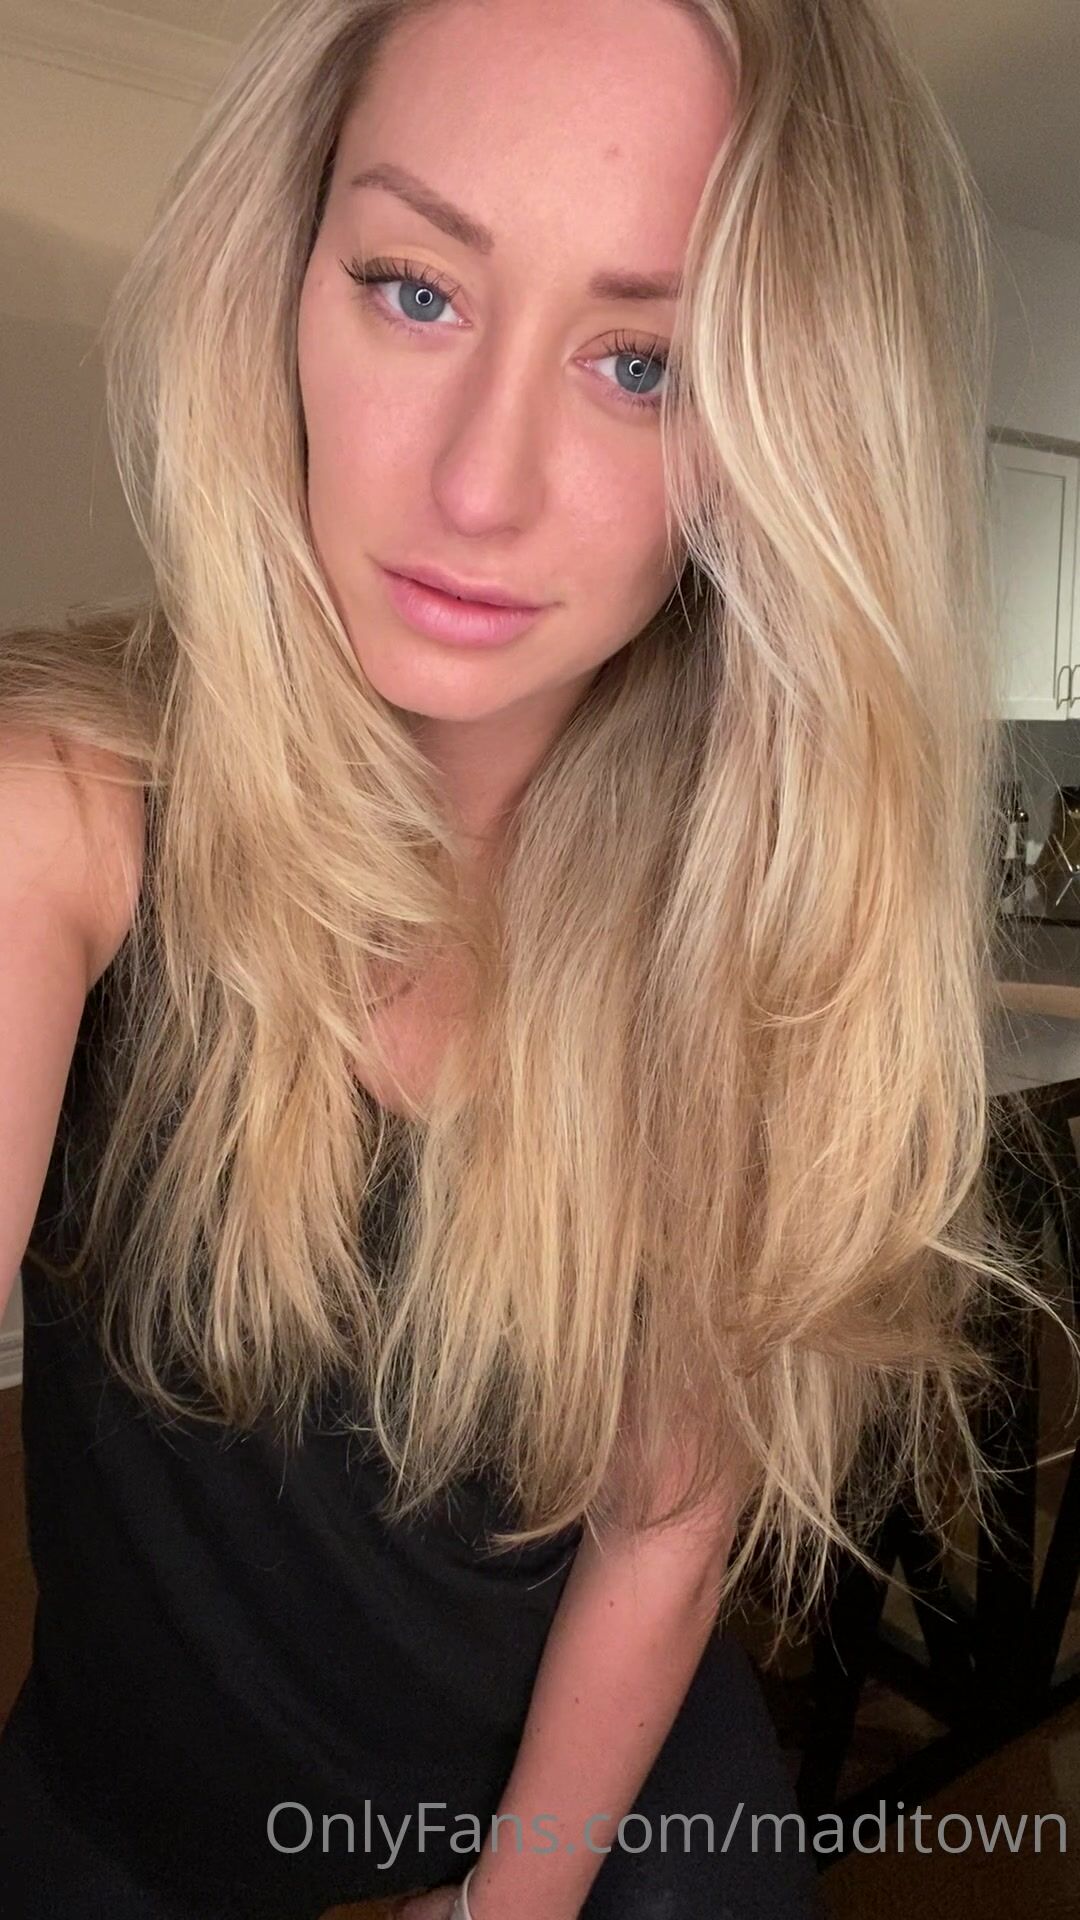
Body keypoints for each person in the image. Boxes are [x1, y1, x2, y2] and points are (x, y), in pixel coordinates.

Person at [0, 0, 1069, 1915]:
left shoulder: (749, 931)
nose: (480, 486)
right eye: (414, 288)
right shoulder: (59, 818)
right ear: (283, 277)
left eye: (644, 363)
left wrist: (514, 1903)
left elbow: (661, 1535)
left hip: (604, 1801)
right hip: (135, 1816)